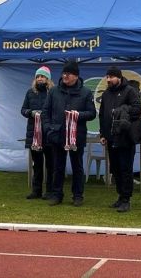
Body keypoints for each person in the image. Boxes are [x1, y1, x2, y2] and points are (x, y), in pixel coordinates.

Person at [42, 60, 96, 207]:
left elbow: (92, 113)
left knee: (77, 167)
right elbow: (45, 111)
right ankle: (56, 194)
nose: (65, 76)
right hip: (57, 135)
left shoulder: (85, 92)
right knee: (57, 166)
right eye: (64, 73)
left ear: (76, 76)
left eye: (69, 73)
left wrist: (78, 115)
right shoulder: (54, 91)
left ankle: (78, 195)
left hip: (76, 136)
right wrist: (48, 128)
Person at [99, 66, 141, 213]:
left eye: (111, 77)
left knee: (126, 169)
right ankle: (120, 196)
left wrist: (123, 110)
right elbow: (102, 115)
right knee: (116, 169)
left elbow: (138, 109)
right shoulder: (105, 94)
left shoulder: (129, 91)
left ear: (119, 77)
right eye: (107, 77)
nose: (108, 79)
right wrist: (103, 134)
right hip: (111, 138)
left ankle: (126, 199)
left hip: (125, 137)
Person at [21, 66, 55, 200]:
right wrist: (31, 112)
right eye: (37, 76)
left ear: (48, 78)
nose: (40, 79)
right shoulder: (30, 93)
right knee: (37, 164)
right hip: (34, 134)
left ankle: (50, 190)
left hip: (49, 134)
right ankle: (36, 190)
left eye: (42, 76)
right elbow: (23, 110)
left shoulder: (53, 92)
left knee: (51, 164)